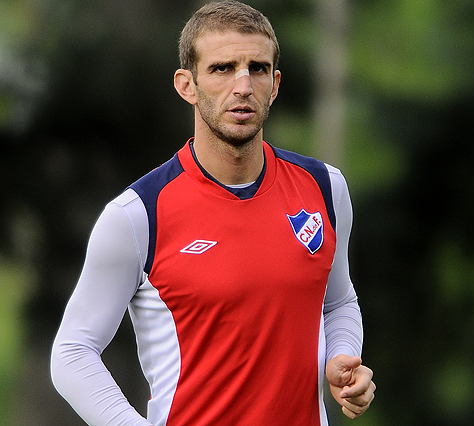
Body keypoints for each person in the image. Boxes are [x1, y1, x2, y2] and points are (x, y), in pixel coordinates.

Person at [50, 1, 375, 425]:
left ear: (275, 84)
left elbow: (339, 302)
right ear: (187, 85)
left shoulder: (325, 188)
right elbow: (73, 352)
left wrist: (342, 358)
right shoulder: (137, 215)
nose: (243, 85)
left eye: (257, 68)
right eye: (223, 68)